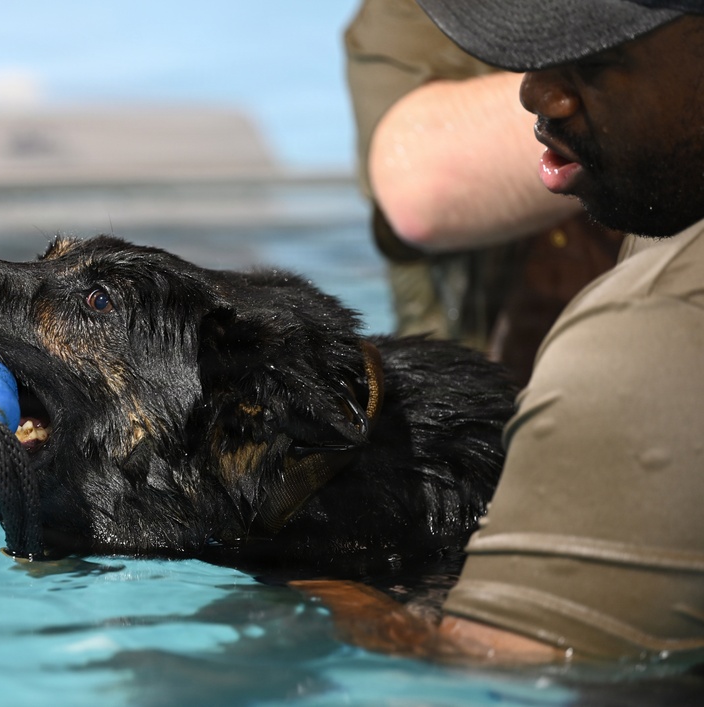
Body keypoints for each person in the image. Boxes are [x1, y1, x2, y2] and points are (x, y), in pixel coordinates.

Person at [298, 0, 704, 662]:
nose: (533, 91)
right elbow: (416, 176)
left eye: (600, 57)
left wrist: (288, 566)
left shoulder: (647, 340)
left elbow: (472, 675)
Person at [344, 0, 624, 386]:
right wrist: (650, 76)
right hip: (474, 402)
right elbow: (421, 188)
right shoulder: (411, 12)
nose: (538, 95)